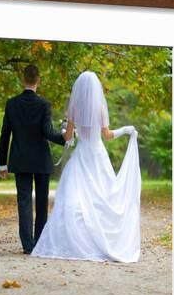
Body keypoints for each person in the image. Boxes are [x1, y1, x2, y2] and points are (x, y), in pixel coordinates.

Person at [30, 70, 141, 263]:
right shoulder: (100, 108)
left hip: (81, 155)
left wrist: (66, 129)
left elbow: (67, 137)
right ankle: (99, 238)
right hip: (97, 156)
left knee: (74, 198)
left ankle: (75, 241)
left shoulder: (74, 110)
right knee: (102, 197)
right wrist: (126, 130)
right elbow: (107, 135)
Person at [0, 64, 65, 254]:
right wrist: (65, 138)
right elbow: (47, 132)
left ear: (23, 79)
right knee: (42, 202)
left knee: (24, 202)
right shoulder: (44, 104)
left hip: (20, 160)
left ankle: (28, 246)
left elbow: (5, 135)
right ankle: (40, 243)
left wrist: (2, 163)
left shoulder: (11, 104)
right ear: (39, 81)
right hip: (41, 160)